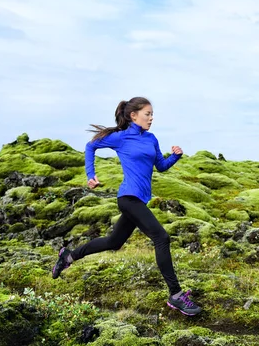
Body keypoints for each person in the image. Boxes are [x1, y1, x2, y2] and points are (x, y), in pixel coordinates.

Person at [51, 96, 202, 316]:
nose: (151, 118)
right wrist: (91, 175)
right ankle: (176, 295)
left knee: (114, 241)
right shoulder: (121, 138)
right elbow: (90, 146)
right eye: (147, 114)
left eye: (152, 114)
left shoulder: (151, 139)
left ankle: (69, 256)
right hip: (128, 198)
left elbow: (160, 166)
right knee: (161, 237)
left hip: (139, 200)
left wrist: (175, 156)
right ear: (134, 115)